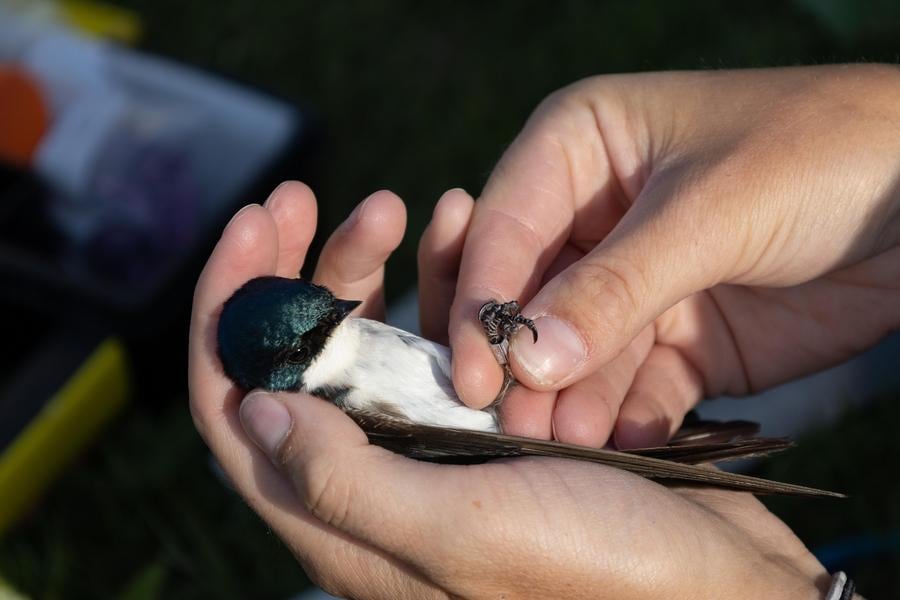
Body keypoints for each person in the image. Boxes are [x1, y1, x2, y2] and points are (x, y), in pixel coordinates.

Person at [188, 65, 897, 598]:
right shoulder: (326, 405)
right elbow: (464, 435)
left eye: (323, 306)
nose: (336, 316)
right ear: (292, 368)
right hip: (500, 437)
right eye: (316, 331)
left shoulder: (336, 342)